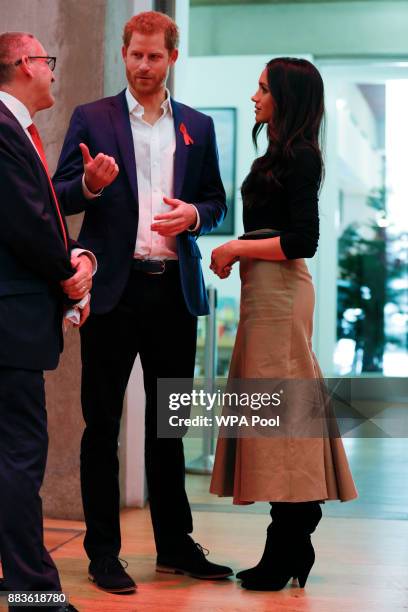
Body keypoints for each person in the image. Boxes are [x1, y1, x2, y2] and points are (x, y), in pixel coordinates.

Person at [53, 11, 231, 593]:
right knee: (101, 426)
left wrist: (196, 217)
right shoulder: (92, 119)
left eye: (155, 56)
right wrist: (92, 186)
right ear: (123, 55)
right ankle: (104, 553)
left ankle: (176, 547)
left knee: (169, 428)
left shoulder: (198, 127)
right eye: (136, 56)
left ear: (171, 57)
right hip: (112, 292)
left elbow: (216, 202)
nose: (144, 66)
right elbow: (59, 196)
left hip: (172, 294)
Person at [209, 57, 357, 591]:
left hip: (279, 292)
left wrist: (234, 245)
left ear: (285, 99)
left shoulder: (299, 156)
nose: (254, 96)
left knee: (282, 418)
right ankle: (290, 537)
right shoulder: (279, 152)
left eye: (263, 88)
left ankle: (290, 537)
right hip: (264, 294)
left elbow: (303, 241)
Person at [0, 31, 101, 612]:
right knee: (19, 458)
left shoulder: (18, 131)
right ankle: (34, 591)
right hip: (10, 326)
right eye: (46, 61)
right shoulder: (3, 128)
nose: (53, 71)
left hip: (16, 321)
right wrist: (70, 272)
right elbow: (25, 219)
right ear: (21, 65)